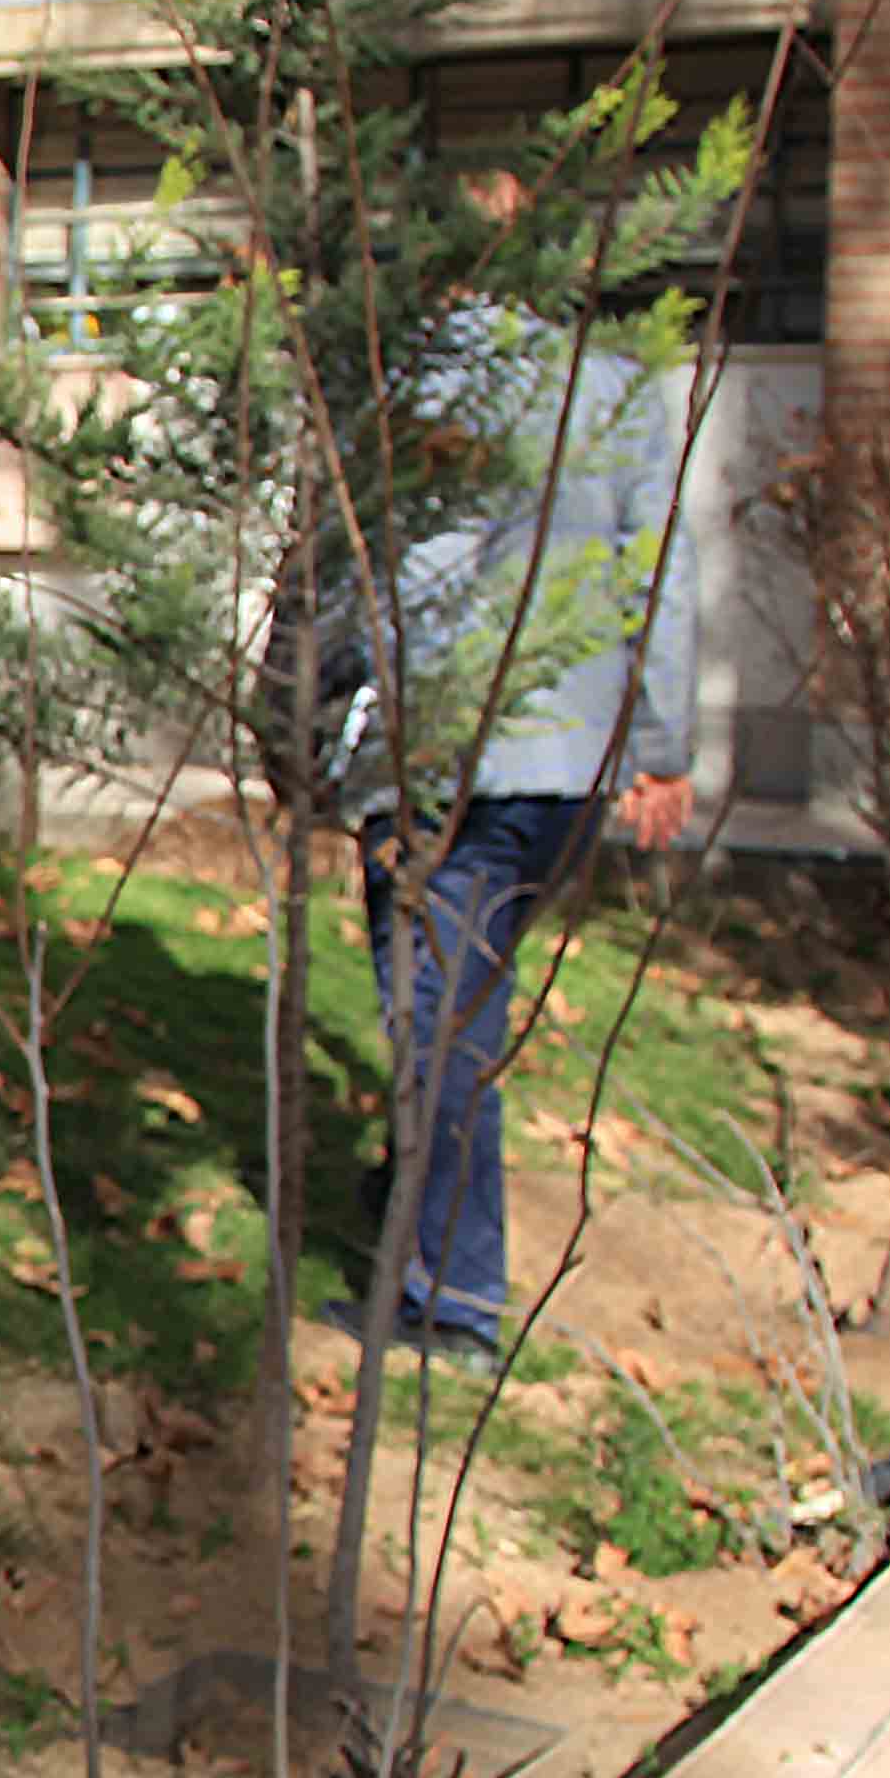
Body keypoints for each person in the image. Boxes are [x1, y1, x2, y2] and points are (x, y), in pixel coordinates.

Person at [336, 341, 699, 1376]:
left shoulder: (406, 368)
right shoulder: (618, 383)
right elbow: (659, 574)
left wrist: (335, 733)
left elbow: (393, 578)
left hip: (456, 765)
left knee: (441, 1032)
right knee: (459, 1009)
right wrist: (661, 745)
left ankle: (454, 1301)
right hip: (571, 771)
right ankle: (411, 1205)